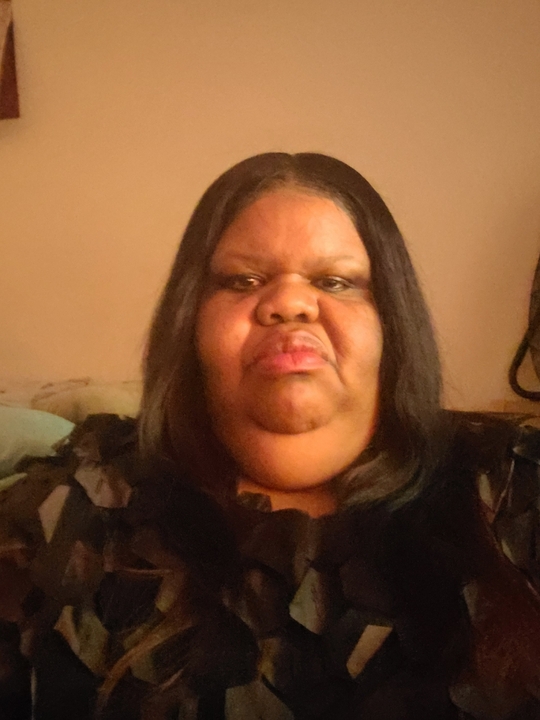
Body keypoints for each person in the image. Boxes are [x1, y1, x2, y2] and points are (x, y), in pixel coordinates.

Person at [1, 152, 540, 720]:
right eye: (244, 281)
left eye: (335, 281)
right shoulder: (66, 514)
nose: (289, 303)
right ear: (190, 321)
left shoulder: (515, 492)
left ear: (391, 320)